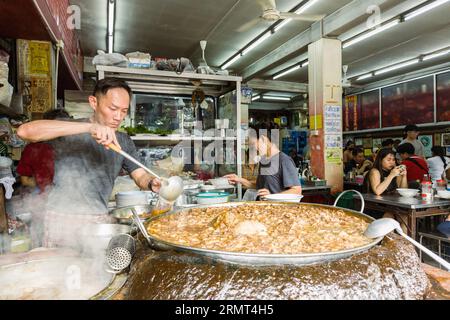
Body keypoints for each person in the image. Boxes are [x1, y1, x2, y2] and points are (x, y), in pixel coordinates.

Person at [17, 78, 162, 247]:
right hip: (61, 219)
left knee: (93, 271)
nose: (118, 117)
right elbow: (24, 131)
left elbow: (140, 175)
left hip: (98, 218)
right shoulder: (70, 128)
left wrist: (151, 182)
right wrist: (89, 128)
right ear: (94, 102)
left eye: (124, 111)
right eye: (113, 108)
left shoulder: (123, 140)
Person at [224, 124, 302, 199]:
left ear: (263, 139)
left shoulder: (284, 161)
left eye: (253, 144)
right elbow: (259, 186)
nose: (253, 149)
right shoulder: (264, 161)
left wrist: (271, 196)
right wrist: (239, 180)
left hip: (278, 209)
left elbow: (297, 190)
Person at [16, 109, 71, 194]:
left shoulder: (32, 148)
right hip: (47, 198)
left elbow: (25, 180)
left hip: (41, 198)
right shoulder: (70, 148)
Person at [364, 148, 408, 232]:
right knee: (389, 219)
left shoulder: (394, 172)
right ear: (380, 160)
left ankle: (404, 243)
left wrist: (404, 176)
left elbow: (403, 190)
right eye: (388, 160)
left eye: (393, 160)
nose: (392, 162)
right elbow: (378, 191)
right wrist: (391, 175)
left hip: (391, 206)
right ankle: (387, 243)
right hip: (375, 206)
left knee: (405, 218)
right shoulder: (375, 171)